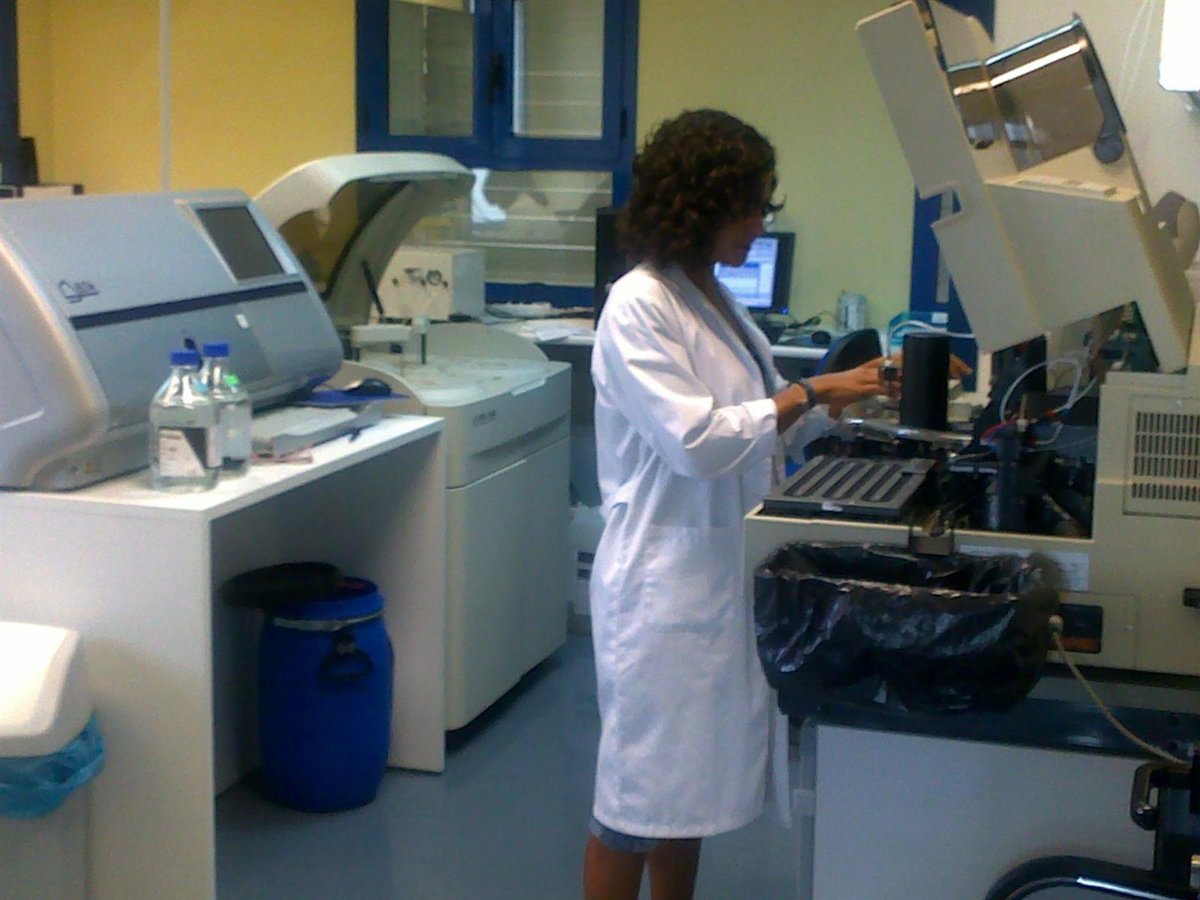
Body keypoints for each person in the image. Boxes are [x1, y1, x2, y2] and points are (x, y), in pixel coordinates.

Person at [582, 109, 892, 900]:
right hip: (663, 586)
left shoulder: (709, 296)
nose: (760, 224)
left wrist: (853, 396)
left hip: (717, 576)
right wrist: (809, 390)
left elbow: (759, 417)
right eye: (747, 208)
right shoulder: (639, 304)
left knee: (683, 800)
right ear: (697, 205)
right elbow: (699, 442)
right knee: (634, 803)